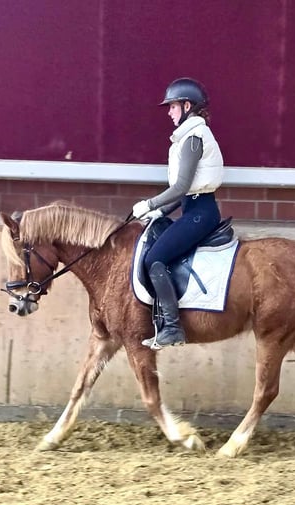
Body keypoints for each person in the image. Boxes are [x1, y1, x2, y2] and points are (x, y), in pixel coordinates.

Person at [132, 77, 224, 349]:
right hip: (192, 208)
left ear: (187, 106)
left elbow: (182, 186)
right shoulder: (188, 136)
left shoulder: (194, 137)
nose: (169, 112)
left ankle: (172, 327)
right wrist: (160, 212)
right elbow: (184, 190)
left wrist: (149, 204)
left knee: (155, 258)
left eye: (172, 106)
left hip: (201, 212)